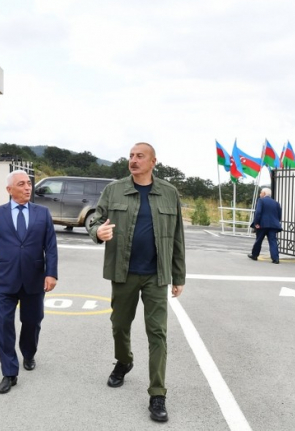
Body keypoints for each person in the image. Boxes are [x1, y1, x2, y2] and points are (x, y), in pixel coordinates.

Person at [88, 142, 186, 423]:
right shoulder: (114, 189)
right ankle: (124, 361)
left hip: (156, 275)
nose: (133, 160)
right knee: (119, 325)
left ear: (153, 161)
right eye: (131, 156)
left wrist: (178, 276)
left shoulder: (168, 193)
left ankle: (157, 394)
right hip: (124, 272)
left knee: (158, 334)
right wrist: (98, 231)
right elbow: (95, 218)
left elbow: (178, 236)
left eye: (139, 156)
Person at [0, 170, 58, 394]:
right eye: (21, 184)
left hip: (34, 279)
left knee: (32, 322)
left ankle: (29, 352)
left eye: (29, 184)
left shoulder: (43, 213)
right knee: (3, 326)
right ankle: (9, 372)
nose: (27, 188)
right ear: (9, 190)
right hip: (4, 280)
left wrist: (51, 273)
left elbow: (50, 247)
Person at [248, 187, 283, 264]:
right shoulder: (276, 203)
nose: (260, 194)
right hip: (273, 225)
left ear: (264, 193)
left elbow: (258, 212)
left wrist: (256, 223)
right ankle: (275, 259)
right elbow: (279, 215)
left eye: (261, 192)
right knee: (273, 241)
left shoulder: (261, 201)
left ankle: (254, 255)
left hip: (262, 225)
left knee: (259, 240)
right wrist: (275, 222)